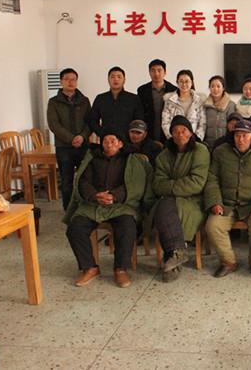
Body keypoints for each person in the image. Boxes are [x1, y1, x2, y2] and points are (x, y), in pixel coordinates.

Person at [64, 128, 155, 288]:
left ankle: (120, 269)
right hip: (93, 204)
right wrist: (94, 195)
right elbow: (83, 181)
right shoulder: (93, 159)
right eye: (105, 141)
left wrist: (114, 195)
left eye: (113, 141)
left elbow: (135, 184)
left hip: (121, 204)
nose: (109, 144)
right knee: (75, 227)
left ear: (120, 144)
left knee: (127, 227)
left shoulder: (131, 160)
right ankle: (90, 267)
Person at [204, 120, 251, 278]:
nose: (241, 139)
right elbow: (212, 178)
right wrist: (215, 202)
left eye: (245, 136)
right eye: (237, 135)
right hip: (226, 205)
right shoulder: (221, 151)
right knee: (213, 226)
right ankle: (228, 261)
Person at [151, 116, 210, 282]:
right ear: (171, 134)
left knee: (165, 207)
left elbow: (197, 183)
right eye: (176, 131)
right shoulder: (164, 156)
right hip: (171, 200)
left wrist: (171, 188)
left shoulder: (200, 151)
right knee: (164, 206)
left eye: (184, 130)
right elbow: (157, 185)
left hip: (194, 201)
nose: (180, 134)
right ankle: (177, 252)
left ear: (191, 133)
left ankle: (174, 257)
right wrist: (176, 188)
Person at [47, 68, 92, 210]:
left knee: (85, 178)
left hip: (83, 146)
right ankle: (68, 209)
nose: (70, 82)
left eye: (73, 79)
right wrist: (71, 139)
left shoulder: (84, 101)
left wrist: (82, 137)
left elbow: (89, 122)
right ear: (61, 82)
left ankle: (85, 207)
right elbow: (53, 124)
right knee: (66, 181)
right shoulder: (54, 102)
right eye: (67, 79)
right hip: (64, 147)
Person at [88, 66, 144, 139]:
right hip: (107, 141)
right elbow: (92, 120)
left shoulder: (133, 99)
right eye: (112, 77)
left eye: (119, 77)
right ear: (108, 80)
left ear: (124, 80)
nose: (116, 79)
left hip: (128, 140)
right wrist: (102, 134)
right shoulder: (101, 99)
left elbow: (139, 121)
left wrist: (132, 136)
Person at [136, 59, 178, 143]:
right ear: (149, 72)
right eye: (153, 70)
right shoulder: (142, 90)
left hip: (168, 131)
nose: (156, 74)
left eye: (159, 70)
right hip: (148, 130)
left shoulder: (173, 90)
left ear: (165, 72)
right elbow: (139, 112)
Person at [161, 69, 206, 141]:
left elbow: (202, 125)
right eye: (181, 81)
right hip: (175, 141)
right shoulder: (170, 101)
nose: (184, 84)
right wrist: (174, 139)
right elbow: (165, 123)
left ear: (192, 83)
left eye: (187, 81)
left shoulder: (199, 101)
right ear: (177, 83)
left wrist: (195, 140)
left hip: (194, 142)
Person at [203, 75, 236, 150]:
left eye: (218, 86)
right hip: (208, 145)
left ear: (223, 88)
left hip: (225, 145)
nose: (215, 89)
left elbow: (232, 127)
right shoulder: (205, 105)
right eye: (212, 86)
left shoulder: (230, 105)